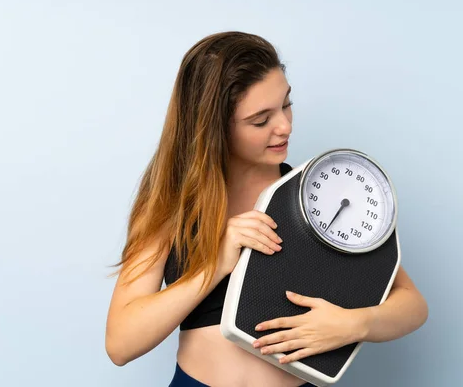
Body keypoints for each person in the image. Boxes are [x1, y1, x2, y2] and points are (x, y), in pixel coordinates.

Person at [105, 31, 428, 387]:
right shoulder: (172, 204)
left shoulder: (315, 195)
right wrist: (216, 264)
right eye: (260, 120)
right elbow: (121, 344)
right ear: (213, 127)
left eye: (286, 104)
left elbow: (412, 305)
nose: (285, 126)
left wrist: (354, 324)